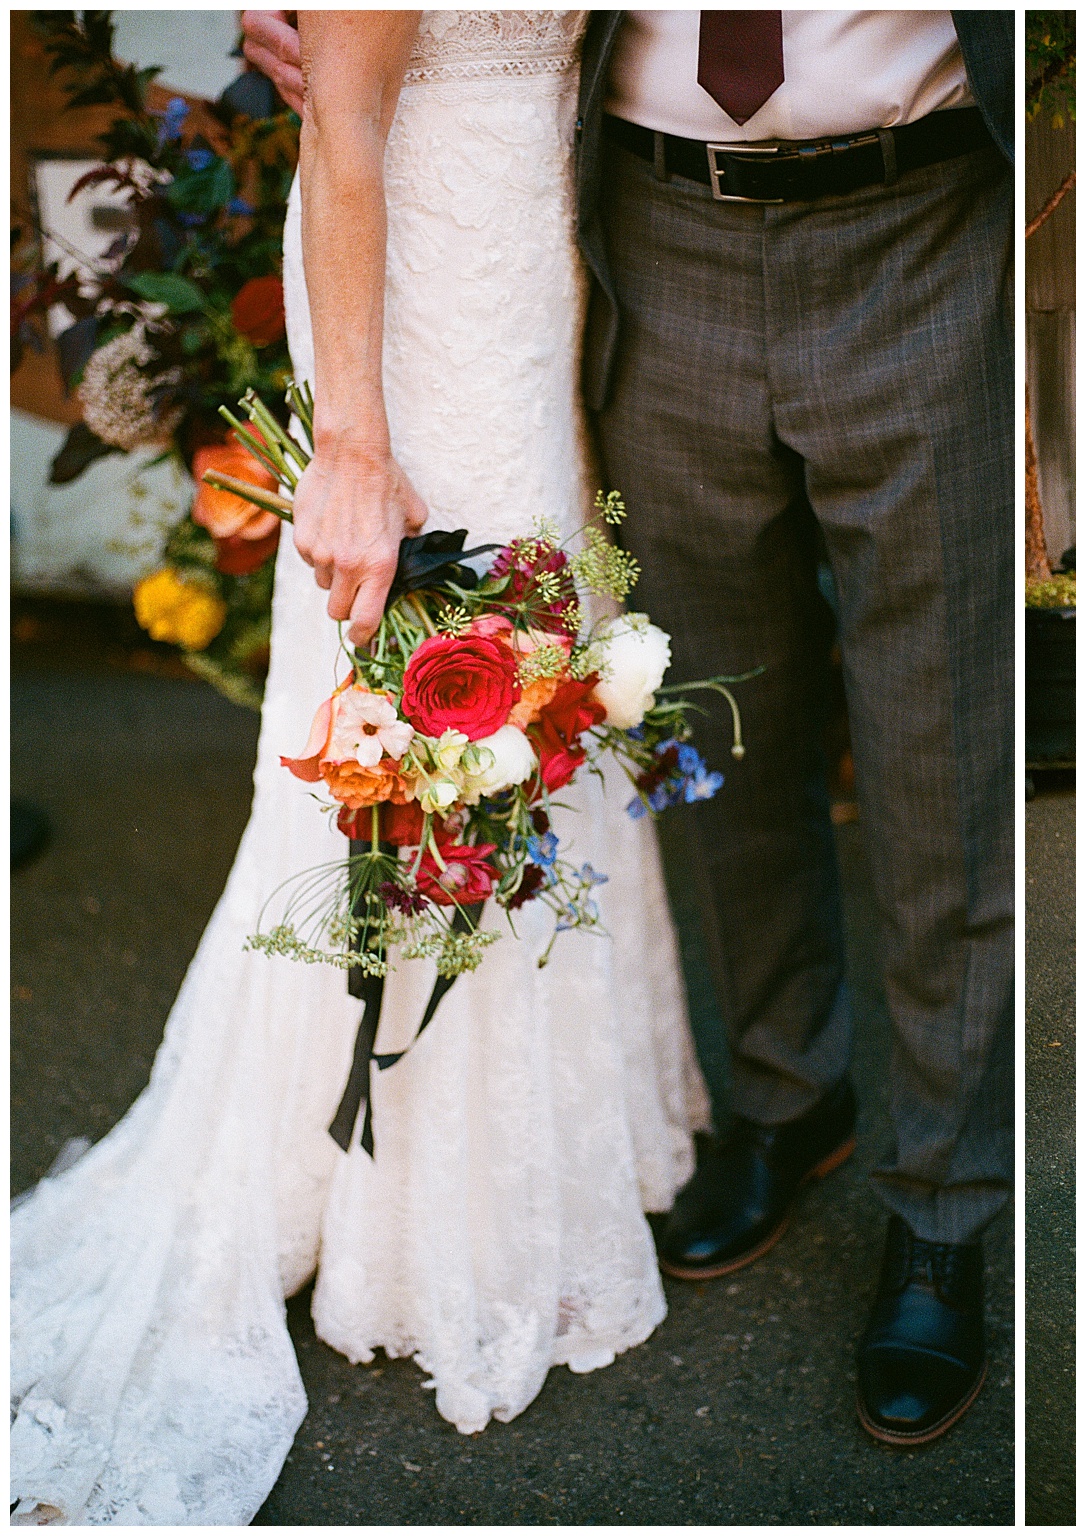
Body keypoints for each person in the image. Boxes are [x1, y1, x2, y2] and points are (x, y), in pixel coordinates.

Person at [248, 8, 1014, 1446]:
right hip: (654, 234)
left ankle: (943, 1205)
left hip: (924, 222)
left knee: (940, 747)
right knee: (724, 719)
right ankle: (791, 1096)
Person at [11, 15, 711, 1523]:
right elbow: (344, 131)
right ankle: (405, 1188)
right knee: (439, 695)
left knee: (543, 680)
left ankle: (554, 1148)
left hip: (527, 290)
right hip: (410, 309)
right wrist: (354, 443)